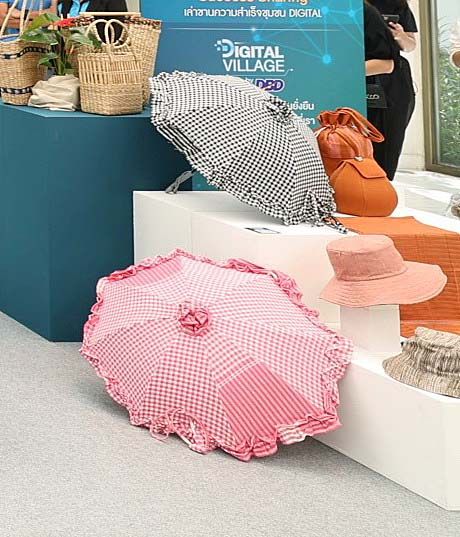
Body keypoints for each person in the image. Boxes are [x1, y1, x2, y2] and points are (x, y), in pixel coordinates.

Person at [365, 0, 418, 181]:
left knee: (386, 148)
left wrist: (400, 36)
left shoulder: (396, 4)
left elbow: (410, 45)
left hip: (392, 82)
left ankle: (381, 189)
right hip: (353, 78)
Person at [57, 0, 127, 18]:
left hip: (102, 49)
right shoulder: (64, 2)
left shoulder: (114, 1)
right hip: (68, 49)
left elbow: (118, 29)